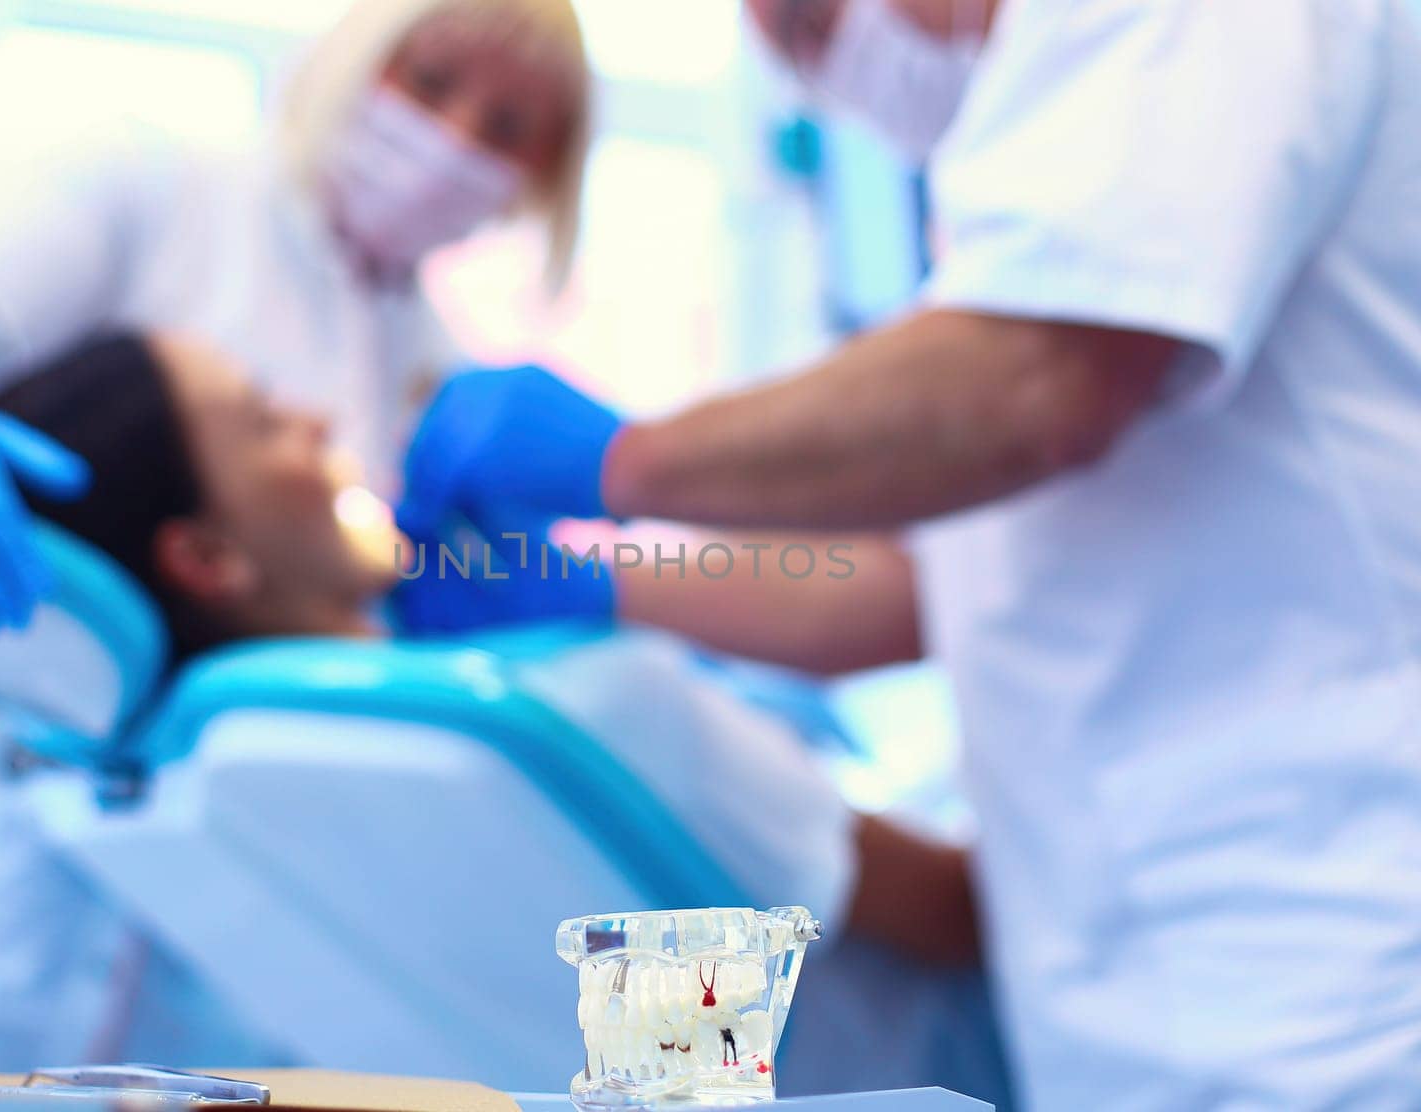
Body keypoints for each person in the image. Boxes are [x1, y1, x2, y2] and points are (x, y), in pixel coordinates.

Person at [393, 0, 1421, 1107]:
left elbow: (1033, 380)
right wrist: (598, 576)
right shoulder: (1035, 199)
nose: (825, 60)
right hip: (1149, 995)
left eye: (811, 17)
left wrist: (627, 464)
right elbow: (912, 581)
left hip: (1328, 962)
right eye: (787, 41)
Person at [0, 330, 1006, 1095]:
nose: (319, 421)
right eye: (262, 420)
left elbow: (665, 1062)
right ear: (208, 558)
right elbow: (962, 918)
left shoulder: (192, 803)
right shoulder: (574, 708)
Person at [0, 0, 591, 637]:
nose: (453, 138)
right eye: (428, 82)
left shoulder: (440, 367)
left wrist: (504, 573)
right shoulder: (154, 182)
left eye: (506, 129)